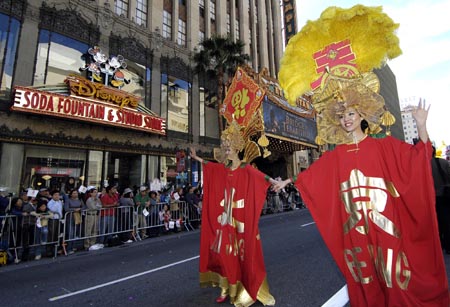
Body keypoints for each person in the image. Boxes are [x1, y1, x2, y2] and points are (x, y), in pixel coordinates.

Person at [275, 5, 449, 305]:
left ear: (362, 114)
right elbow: (312, 177)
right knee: (366, 282)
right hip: (357, 233)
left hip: (386, 229)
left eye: (351, 113)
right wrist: (286, 183)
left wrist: (421, 126)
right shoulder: (338, 155)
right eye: (342, 114)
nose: (346, 119)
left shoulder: (383, 146)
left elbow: (419, 159)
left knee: (394, 280)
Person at [190, 120, 276, 307]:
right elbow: (210, 166)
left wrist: (274, 181)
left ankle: (244, 289)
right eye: (225, 147)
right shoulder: (223, 169)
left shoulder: (245, 168)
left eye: (229, 147)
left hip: (241, 222)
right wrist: (197, 159)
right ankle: (225, 288)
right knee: (224, 254)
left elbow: (261, 178)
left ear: (237, 148)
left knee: (242, 256)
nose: (226, 150)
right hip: (225, 221)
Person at [431, 146, 450, 254]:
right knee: (447, 220)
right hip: (446, 195)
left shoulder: (423, 165)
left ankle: (441, 243)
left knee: (437, 222)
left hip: (432, 198)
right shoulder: (444, 162)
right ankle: (448, 244)